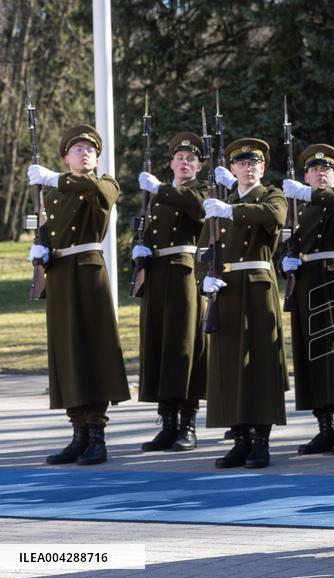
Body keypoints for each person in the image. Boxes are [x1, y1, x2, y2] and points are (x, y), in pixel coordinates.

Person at [27, 125, 130, 465]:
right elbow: (45, 228)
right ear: (65, 157)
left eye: (90, 150)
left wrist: (53, 179)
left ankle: (97, 435)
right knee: (67, 352)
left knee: (93, 351)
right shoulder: (52, 193)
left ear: (97, 158)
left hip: (88, 275)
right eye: (77, 149)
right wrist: (39, 248)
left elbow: (97, 193)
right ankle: (78, 433)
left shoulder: (105, 184)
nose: (84, 153)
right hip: (60, 277)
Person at [203, 137, 290, 469]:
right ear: (232, 168)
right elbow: (204, 251)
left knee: (260, 365)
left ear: (262, 167)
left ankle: (260, 441)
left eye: (254, 163)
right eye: (241, 163)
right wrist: (203, 280)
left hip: (256, 288)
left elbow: (275, 215)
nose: (248, 167)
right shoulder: (218, 204)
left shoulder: (270, 195)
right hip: (226, 289)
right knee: (230, 365)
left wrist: (231, 210)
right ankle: (239, 438)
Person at [281, 144, 334, 456]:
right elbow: (289, 241)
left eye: (326, 169)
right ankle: (324, 427)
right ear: (306, 174)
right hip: (307, 282)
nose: (321, 173)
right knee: (312, 355)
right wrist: (285, 261)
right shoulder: (298, 207)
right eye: (315, 170)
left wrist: (308, 194)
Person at [134, 132, 209, 453]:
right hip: (157, 275)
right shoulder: (157, 196)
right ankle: (167, 422)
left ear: (200, 166)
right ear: (171, 163)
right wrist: (141, 248)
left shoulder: (201, 191)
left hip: (184, 273)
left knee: (183, 346)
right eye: (180, 159)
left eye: (191, 159)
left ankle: (187, 423)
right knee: (159, 345)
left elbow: (198, 207)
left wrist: (160, 189)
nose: (185, 163)